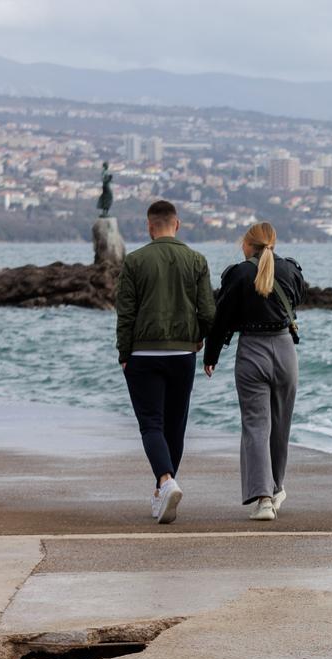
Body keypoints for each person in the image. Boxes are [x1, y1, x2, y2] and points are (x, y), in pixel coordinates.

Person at [115, 199, 216, 524]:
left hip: (143, 352)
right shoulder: (196, 260)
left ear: (149, 226)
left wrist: (124, 353)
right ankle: (163, 491)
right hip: (182, 352)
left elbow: (126, 312)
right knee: (175, 426)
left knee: (151, 424)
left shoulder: (134, 261)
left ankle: (165, 482)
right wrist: (201, 340)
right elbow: (208, 311)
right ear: (178, 223)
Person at [205, 221, 304, 521]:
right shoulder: (291, 270)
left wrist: (211, 354)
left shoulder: (238, 274)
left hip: (252, 352)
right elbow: (298, 299)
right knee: (280, 424)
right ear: (273, 243)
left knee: (256, 425)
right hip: (286, 350)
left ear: (248, 245)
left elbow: (222, 318)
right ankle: (278, 487)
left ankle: (264, 499)